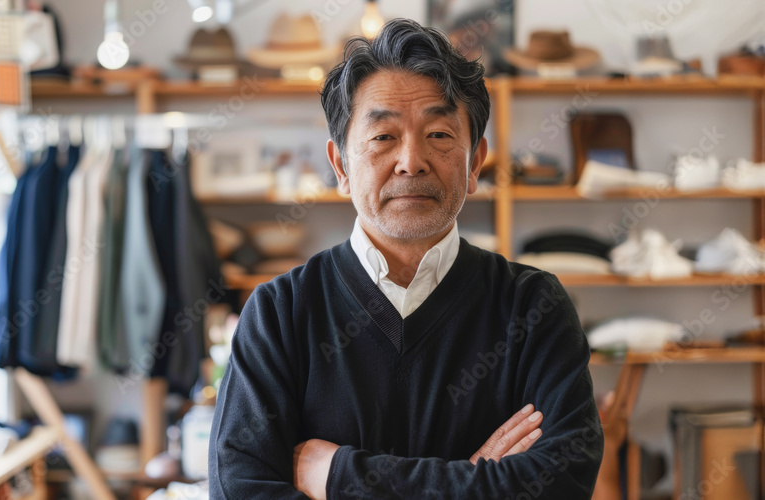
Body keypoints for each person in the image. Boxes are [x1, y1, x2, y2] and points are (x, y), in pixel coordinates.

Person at [208, 18, 603, 499]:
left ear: (476, 162)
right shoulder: (280, 313)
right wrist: (475, 479)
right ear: (340, 166)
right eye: (383, 137)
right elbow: (239, 491)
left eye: (438, 134)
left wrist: (336, 475)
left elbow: (562, 486)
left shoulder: (533, 307)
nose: (411, 160)